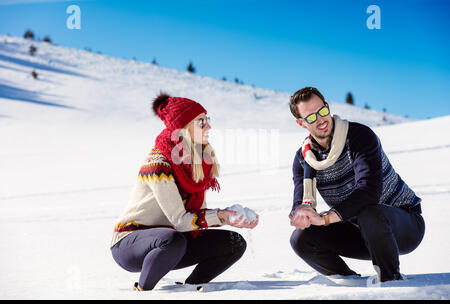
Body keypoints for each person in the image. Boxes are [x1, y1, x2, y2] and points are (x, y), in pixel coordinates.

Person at [110, 93, 258, 291]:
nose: (209, 127)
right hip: (130, 243)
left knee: (234, 243)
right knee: (172, 240)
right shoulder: (158, 165)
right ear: (183, 128)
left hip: (171, 242)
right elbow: (180, 221)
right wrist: (220, 217)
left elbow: (193, 219)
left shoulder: (197, 163)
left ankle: (190, 288)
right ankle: (143, 291)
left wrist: (227, 216)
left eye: (208, 120)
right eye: (201, 122)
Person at [288, 87, 425, 282]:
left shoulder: (359, 136)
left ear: (327, 107)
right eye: (310, 117)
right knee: (301, 238)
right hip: (360, 231)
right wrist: (302, 214)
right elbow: (300, 201)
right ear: (301, 123)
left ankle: (390, 281)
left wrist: (326, 219)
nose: (320, 120)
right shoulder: (304, 159)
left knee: (370, 213)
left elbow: (369, 192)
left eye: (322, 111)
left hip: (403, 225)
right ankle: (350, 284)